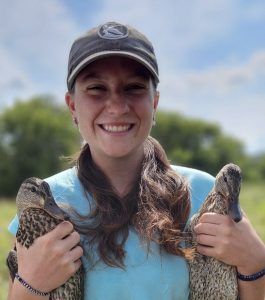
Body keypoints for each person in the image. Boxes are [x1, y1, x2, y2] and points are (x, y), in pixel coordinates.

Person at [7, 21, 265, 300]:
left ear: (154, 104)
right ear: (72, 106)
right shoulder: (41, 207)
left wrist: (255, 263)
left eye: (133, 88)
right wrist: (31, 284)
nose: (117, 107)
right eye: (96, 88)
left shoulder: (206, 194)